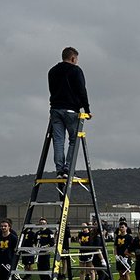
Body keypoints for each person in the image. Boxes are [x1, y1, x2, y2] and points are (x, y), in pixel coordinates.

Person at [48, 46, 90, 180]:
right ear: (73, 58)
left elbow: (52, 90)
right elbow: (82, 91)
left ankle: (59, 171)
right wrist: (87, 110)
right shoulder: (75, 70)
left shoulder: (52, 71)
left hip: (55, 109)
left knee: (58, 141)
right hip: (71, 110)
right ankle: (68, 168)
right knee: (74, 140)